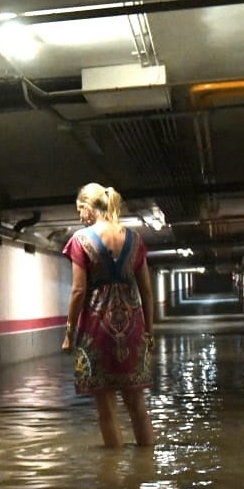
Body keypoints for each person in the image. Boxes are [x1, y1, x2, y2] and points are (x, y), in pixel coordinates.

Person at [61, 182, 155, 447]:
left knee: (106, 410)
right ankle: (146, 470)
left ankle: (111, 480)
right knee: (138, 407)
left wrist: (69, 332)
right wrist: (150, 330)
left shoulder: (80, 240)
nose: (80, 217)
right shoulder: (135, 240)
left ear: (91, 207)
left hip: (96, 330)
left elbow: (79, 291)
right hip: (133, 328)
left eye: (81, 209)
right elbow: (146, 292)